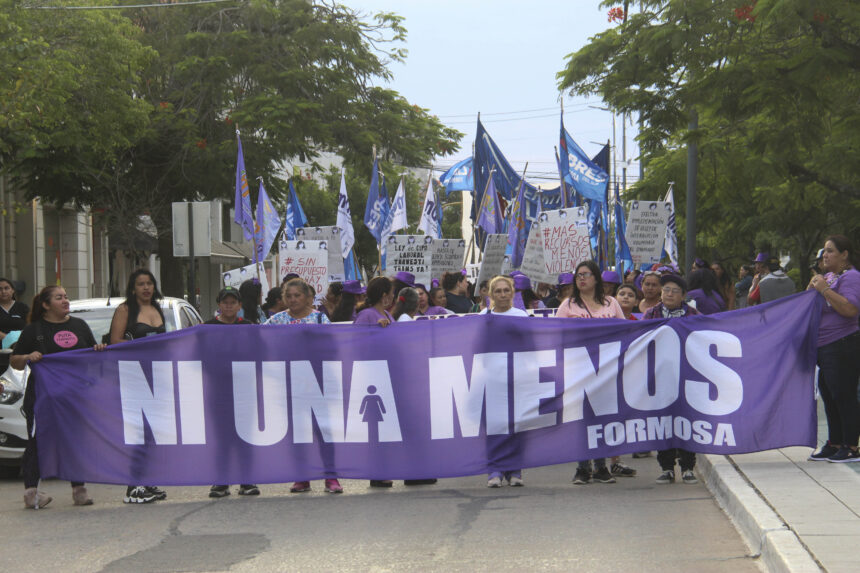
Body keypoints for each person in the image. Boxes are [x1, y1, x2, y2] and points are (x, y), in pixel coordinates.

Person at [12, 285, 106, 509]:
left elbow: (90, 356)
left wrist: (99, 349)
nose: (65, 301)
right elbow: (14, 361)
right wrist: (27, 356)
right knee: (37, 442)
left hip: (74, 396)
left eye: (66, 296)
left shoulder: (79, 326)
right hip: (43, 397)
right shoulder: (33, 330)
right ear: (46, 305)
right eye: (59, 298)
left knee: (76, 440)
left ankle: (79, 491)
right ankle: (31, 493)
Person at [266, 279, 342, 492]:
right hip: (290, 383)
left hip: (317, 382)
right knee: (298, 430)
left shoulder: (319, 318)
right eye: (288, 296)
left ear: (309, 297)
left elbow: (332, 347)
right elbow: (258, 340)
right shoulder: (276, 321)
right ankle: (302, 476)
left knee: (323, 430)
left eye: (297, 295)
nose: (292, 300)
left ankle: (331, 477)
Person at [557, 261, 629, 484]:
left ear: (596, 278)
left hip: (606, 369)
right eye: (578, 275)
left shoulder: (611, 303)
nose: (581, 279)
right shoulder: (568, 305)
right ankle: (582, 468)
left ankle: (600, 467)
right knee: (581, 418)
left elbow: (625, 332)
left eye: (586, 275)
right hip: (578, 369)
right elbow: (556, 335)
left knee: (602, 416)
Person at [109, 269, 169, 504]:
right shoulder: (125, 310)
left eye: (149, 283)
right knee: (137, 431)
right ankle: (133, 484)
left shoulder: (157, 308)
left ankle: (147, 478)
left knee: (152, 431)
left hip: (156, 375)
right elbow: (115, 341)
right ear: (132, 288)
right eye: (141, 284)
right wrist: (143, 346)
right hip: (133, 375)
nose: (146, 288)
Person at [807, 235, 860, 463]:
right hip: (824, 347)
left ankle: (851, 447)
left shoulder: (852, 277)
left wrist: (824, 290)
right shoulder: (827, 277)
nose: (824, 255)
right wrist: (811, 288)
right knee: (828, 394)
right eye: (824, 251)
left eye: (830, 251)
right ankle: (835, 442)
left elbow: (850, 310)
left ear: (844, 254)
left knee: (844, 395)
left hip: (843, 344)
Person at [644, 274, 701, 484]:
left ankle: (687, 466)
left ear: (683, 295)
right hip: (660, 376)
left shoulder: (693, 314)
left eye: (674, 290)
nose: (669, 294)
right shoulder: (651, 314)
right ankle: (666, 467)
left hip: (687, 375)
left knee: (688, 420)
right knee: (663, 420)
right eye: (666, 289)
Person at [205, 287, 261, 498]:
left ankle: (247, 480)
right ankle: (220, 481)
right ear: (219, 304)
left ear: (239, 305)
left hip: (245, 389)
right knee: (222, 437)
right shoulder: (207, 328)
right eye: (225, 302)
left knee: (245, 436)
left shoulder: (248, 327)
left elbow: (260, 353)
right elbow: (197, 355)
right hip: (218, 390)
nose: (229, 306)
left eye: (233, 302)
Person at [480, 275, 528, 487]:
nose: (502, 294)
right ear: (490, 294)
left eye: (505, 290)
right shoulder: (483, 315)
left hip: (517, 377)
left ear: (512, 292)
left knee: (517, 424)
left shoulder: (521, 315)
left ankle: (515, 470)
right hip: (492, 378)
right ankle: (495, 471)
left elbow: (530, 345)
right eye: (497, 291)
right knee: (495, 426)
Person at [353, 276, 396, 487]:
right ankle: (376, 470)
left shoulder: (387, 314)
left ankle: (383, 467)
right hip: (372, 376)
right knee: (375, 429)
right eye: (391, 292)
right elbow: (356, 343)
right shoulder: (366, 315)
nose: (393, 296)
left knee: (386, 427)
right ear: (384, 294)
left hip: (387, 375)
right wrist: (374, 333)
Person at [0, 277, 29, 372]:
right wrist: (9, 339)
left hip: (20, 351)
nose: (3, 291)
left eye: (6, 288)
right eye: (0, 289)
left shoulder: (22, 307)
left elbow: (30, 326)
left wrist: (18, 341)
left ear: (12, 290)